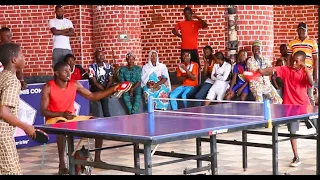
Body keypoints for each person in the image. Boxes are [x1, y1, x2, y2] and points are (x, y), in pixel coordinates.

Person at [40, 61, 129, 175]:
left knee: (97, 121)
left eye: (70, 70)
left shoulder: (75, 84)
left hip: (70, 117)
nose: (69, 73)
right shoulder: (48, 87)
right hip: (54, 119)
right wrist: (62, 114)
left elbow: (92, 96)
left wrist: (113, 89)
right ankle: (62, 164)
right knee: (61, 124)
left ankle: (97, 159)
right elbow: (43, 111)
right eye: (65, 71)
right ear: (57, 73)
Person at [257, 51, 314, 167]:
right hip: (290, 106)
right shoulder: (285, 69)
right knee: (292, 133)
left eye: (296, 62)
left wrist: (306, 69)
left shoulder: (305, 72)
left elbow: (311, 83)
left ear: (302, 62)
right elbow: (272, 69)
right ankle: (296, 156)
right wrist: (261, 72)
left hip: (305, 105)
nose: (293, 63)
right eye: (292, 60)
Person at [0, 43, 36, 175]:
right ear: (14, 60)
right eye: (22, 55)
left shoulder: (2, 76)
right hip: (3, 134)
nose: (24, 57)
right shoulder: (12, 81)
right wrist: (25, 126)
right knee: (12, 171)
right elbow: (4, 112)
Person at [287, 22, 318, 106]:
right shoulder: (292, 43)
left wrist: (315, 74)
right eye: (299, 30)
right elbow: (289, 58)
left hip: (309, 72)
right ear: (297, 31)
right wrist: (289, 70)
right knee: (297, 94)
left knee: (310, 94)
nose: (301, 31)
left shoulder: (312, 42)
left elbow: (315, 59)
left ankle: (311, 115)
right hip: (296, 72)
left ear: (307, 30)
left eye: (303, 30)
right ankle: (300, 114)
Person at [246, 40, 282, 104]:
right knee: (259, 101)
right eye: (254, 49)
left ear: (261, 49)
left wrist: (263, 71)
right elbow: (256, 72)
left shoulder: (266, 59)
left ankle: (271, 113)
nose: (256, 50)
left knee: (278, 100)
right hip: (256, 85)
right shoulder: (249, 61)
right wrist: (265, 71)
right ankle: (258, 113)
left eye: (258, 48)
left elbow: (271, 71)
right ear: (252, 50)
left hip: (267, 84)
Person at [88, 49, 113, 117]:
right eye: (99, 56)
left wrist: (107, 90)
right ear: (95, 57)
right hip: (96, 88)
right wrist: (106, 92)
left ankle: (107, 115)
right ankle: (107, 115)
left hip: (106, 87)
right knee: (104, 96)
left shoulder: (108, 66)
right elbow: (95, 82)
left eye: (102, 55)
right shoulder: (92, 67)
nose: (101, 57)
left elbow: (110, 80)